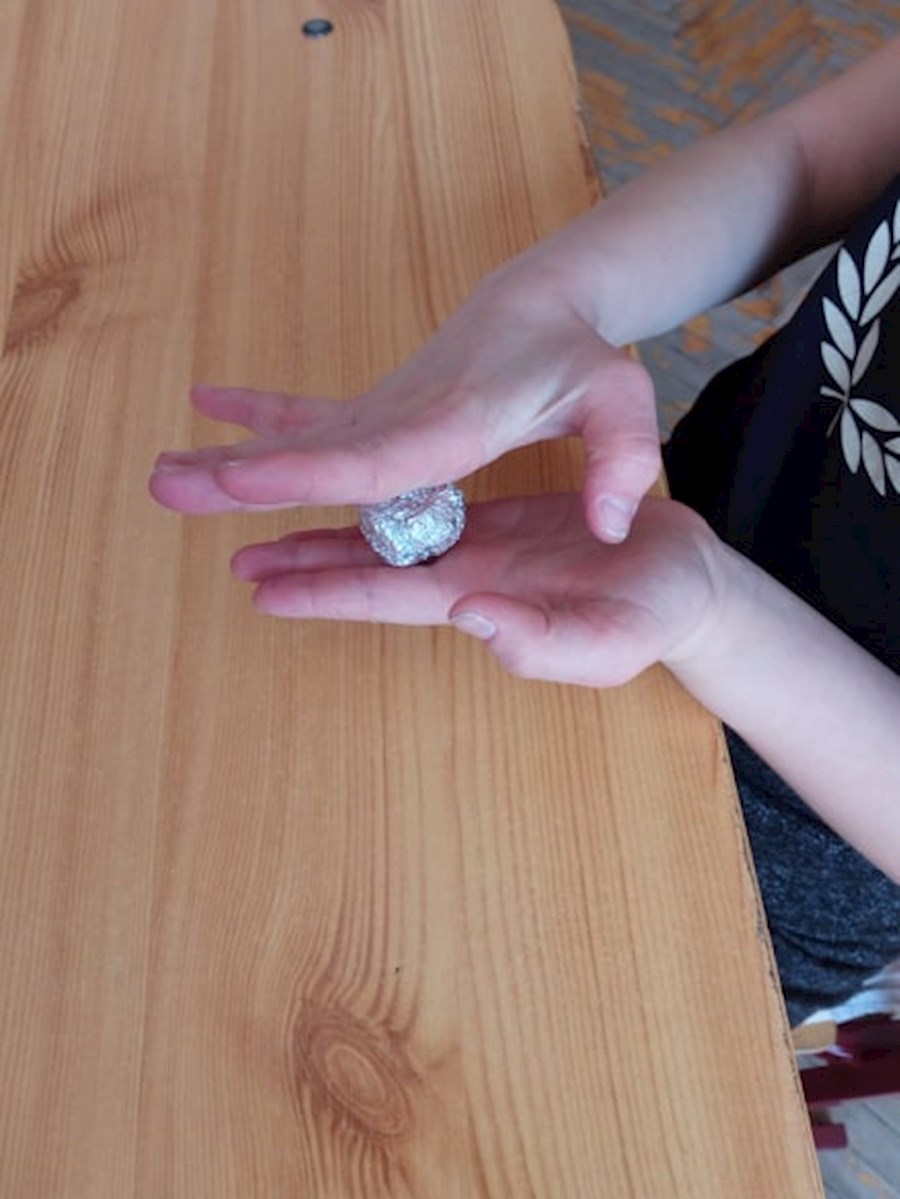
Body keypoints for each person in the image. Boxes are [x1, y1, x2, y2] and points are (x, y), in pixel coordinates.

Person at [150, 35, 900, 1025]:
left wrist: (717, 612)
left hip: (793, 825)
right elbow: (815, 155)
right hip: (663, 497)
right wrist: (554, 301)